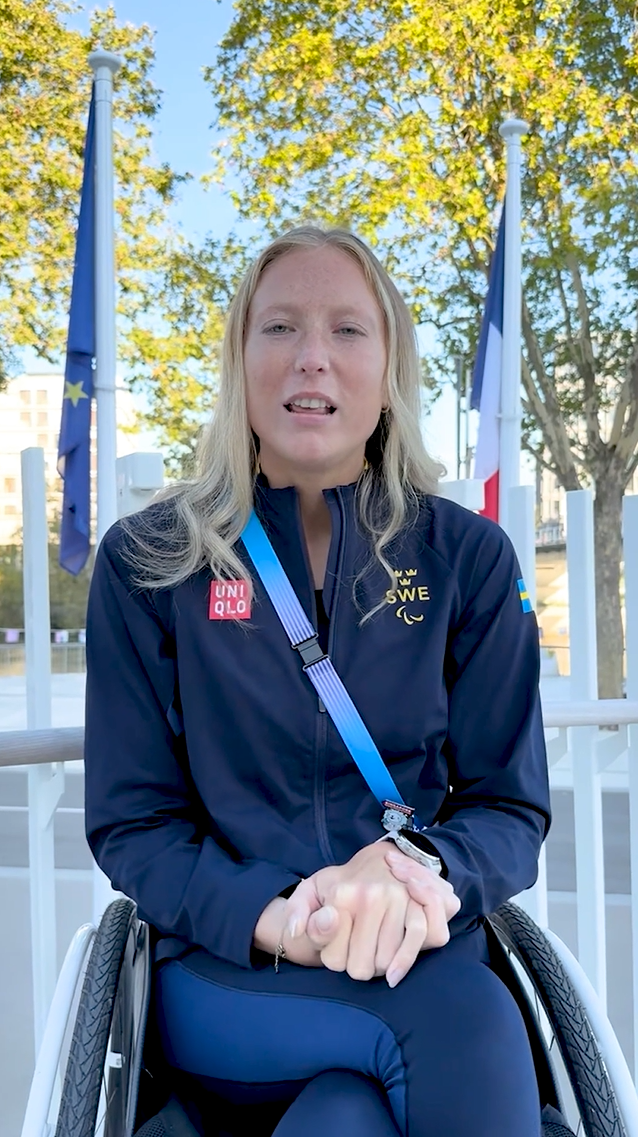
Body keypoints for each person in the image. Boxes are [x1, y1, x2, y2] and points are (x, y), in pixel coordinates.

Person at [84, 225, 551, 1137]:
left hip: (413, 944)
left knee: (347, 1117)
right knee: (466, 1025)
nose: (312, 359)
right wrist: (275, 919)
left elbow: (510, 811)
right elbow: (133, 824)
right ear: (239, 358)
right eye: (280, 328)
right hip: (230, 964)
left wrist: (415, 869)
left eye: (347, 330)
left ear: (389, 367)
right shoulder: (149, 561)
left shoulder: (468, 559)